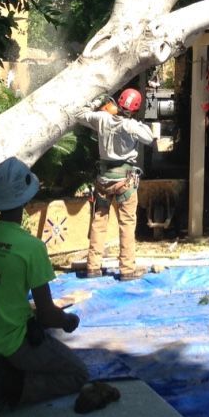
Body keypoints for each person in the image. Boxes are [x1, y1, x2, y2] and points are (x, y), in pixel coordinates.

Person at [0, 156, 94, 411]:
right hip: (13, 344)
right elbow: (46, 315)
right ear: (26, 199)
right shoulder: (30, 247)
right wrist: (67, 321)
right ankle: (9, 388)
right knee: (77, 373)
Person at [76, 88, 154, 280]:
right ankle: (127, 269)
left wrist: (97, 102)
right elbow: (149, 137)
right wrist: (134, 121)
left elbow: (79, 114)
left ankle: (93, 267)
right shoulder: (131, 126)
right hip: (125, 181)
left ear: (118, 102)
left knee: (99, 221)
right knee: (126, 223)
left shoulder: (102, 119)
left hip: (104, 180)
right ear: (135, 108)